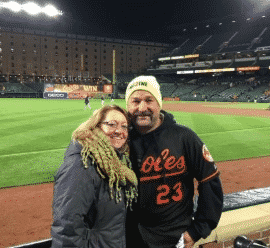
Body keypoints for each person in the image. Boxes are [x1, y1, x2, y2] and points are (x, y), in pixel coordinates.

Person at [125, 76, 224, 248]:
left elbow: (210, 182)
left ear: (159, 103)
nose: (142, 108)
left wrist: (197, 230)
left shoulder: (184, 137)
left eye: (149, 100)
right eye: (136, 101)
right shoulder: (122, 141)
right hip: (131, 238)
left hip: (174, 239)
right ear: (128, 106)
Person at [51, 105, 138, 248]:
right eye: (111, 124)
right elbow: (67, 226)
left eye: (124, 127)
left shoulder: (116, 164)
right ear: (96, 126)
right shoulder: (81, 164)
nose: (119, 131)